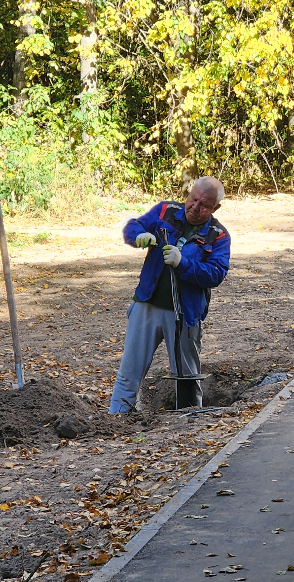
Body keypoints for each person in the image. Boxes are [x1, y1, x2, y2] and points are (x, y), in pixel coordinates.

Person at [109, 176, 230, 413]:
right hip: (147, 304)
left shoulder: (218, 235)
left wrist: (182, 263)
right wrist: (138, 236)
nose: (194, 207)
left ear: (216, 208)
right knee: (129, 371)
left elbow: (215, 274)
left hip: (185, 314)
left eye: (204, 205)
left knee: (187, 377)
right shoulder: (166, 210)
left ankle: (189, 423)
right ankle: (117, 419)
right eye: (193, 199)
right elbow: (133, 226)